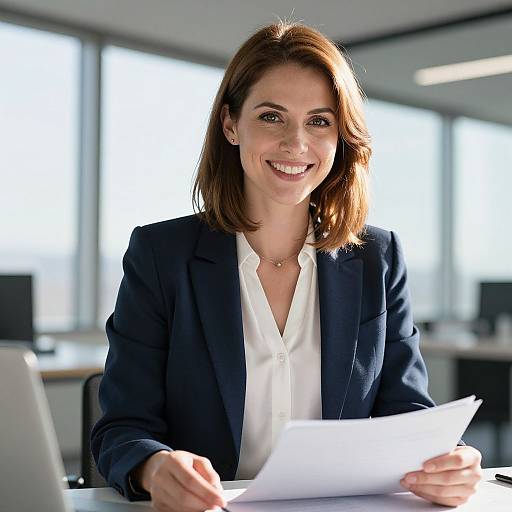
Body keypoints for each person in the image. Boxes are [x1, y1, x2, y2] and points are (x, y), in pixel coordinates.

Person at [91, 21, 482, 512]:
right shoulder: (160, 254)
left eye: (319, 121)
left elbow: (406, 413)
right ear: (231, 124)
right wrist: (155, 467)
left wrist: (451, 463)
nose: (296, 143)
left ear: (341, 136)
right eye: (272, 117)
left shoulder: (377, 259)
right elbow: (123, 428)